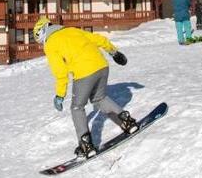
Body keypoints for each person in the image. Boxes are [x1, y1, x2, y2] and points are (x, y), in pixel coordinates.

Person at [33, 16, 137, 158]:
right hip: (101, 66)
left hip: (84, 73)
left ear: (42, 33)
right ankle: (126, 121)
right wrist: (114, 52)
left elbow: (60, 72)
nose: (42, 44)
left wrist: (60, 95)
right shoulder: (72, 30)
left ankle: (85, 144)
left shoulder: (50, 43)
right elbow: (99, 39)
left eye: (40, 41)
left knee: (77, 107)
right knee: (99, 98)